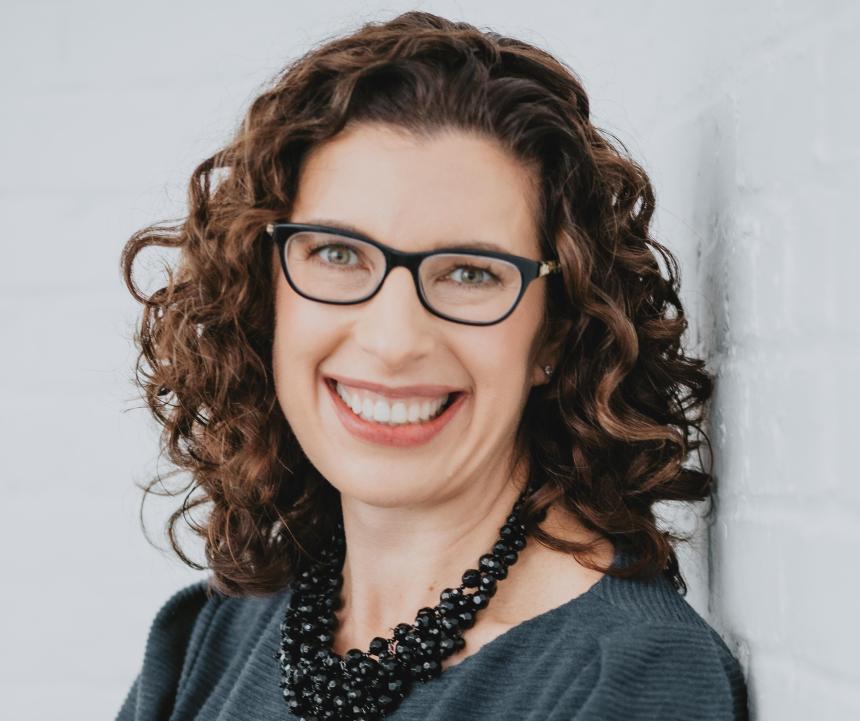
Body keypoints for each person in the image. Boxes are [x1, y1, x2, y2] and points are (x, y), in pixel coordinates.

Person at [115, 10, 748, 721]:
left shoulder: (627, 679)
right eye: (336, 254)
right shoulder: (211, 636)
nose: (393, 339)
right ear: (266, 296)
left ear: (555, 332)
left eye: (471, 272)